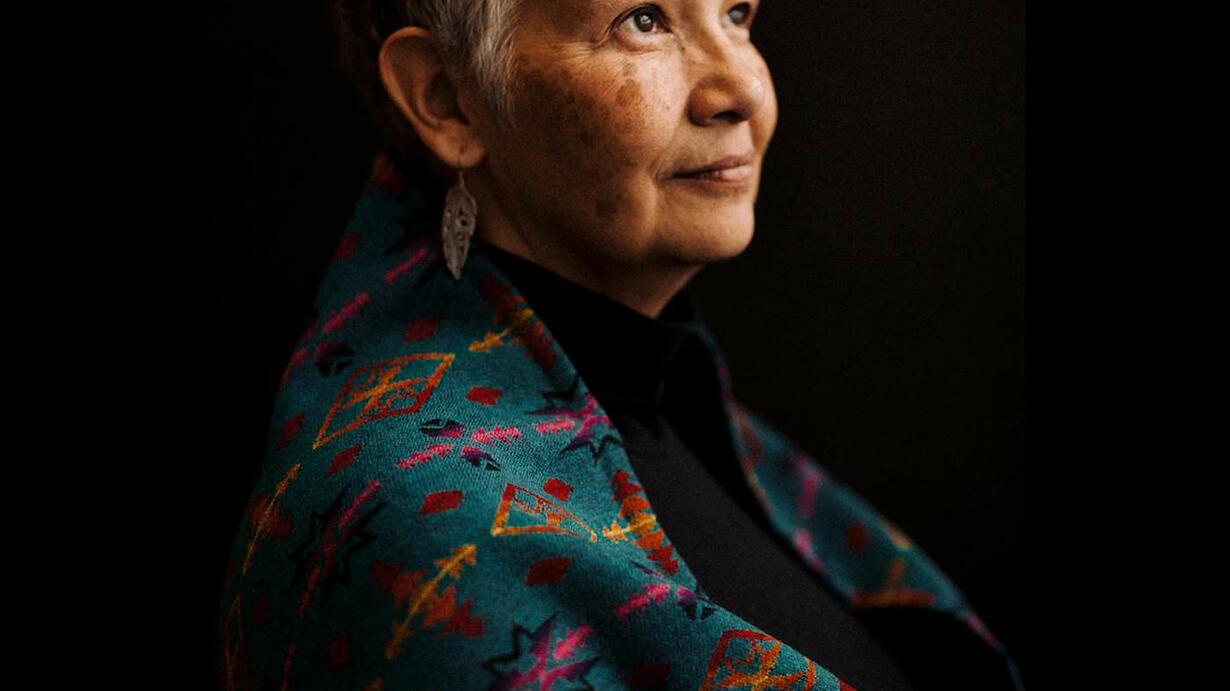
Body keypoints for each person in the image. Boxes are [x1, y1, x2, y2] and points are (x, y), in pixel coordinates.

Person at [217, 1, 1025, 689]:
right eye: (644, 20)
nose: (744, 87)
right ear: (449, 100)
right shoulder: (414, 528)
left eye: (736, 13)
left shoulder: (683, 411)